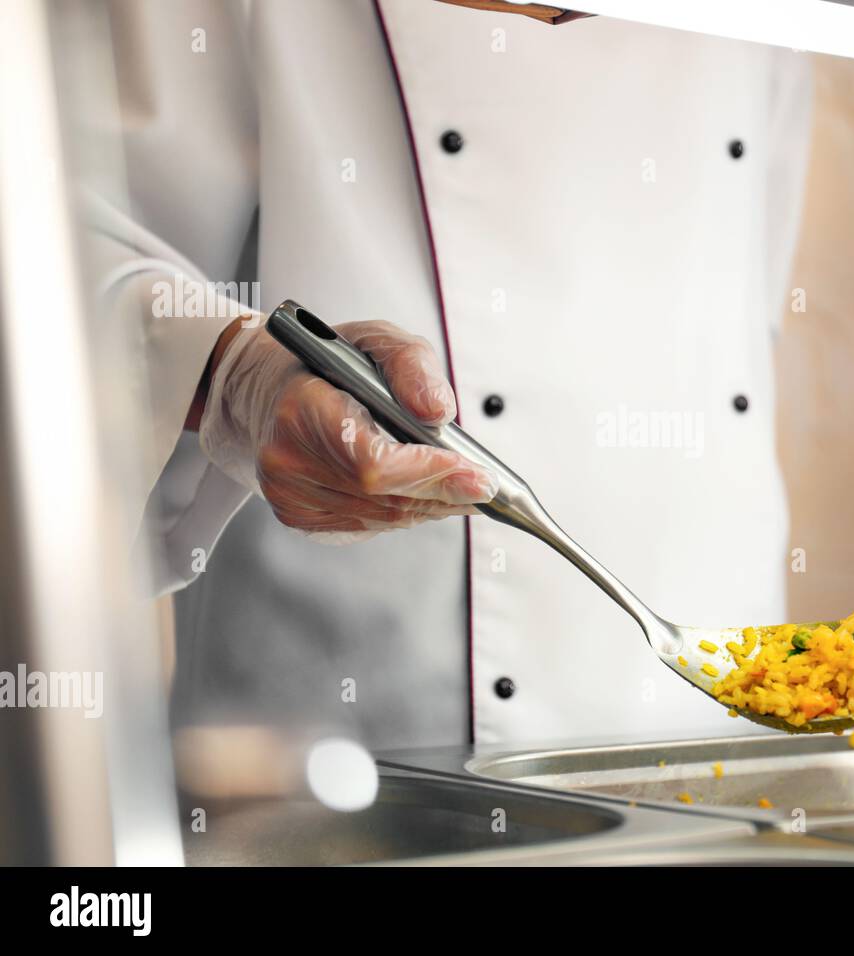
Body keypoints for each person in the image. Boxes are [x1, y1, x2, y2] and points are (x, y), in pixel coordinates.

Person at [96, 0, 811, 748]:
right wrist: (231, 375)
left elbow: (746, 297)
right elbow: (60, 253)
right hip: (363, 727)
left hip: (724, 699)